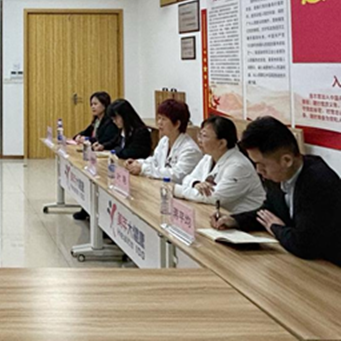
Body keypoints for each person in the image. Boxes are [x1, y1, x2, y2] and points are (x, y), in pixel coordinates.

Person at [211, 116, 341, 266]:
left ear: (286, 160)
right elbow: (268, 213)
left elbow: (305, 245)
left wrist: (276, 228)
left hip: (330, 267)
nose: (258, 171)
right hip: (303, 263)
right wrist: (235, 220)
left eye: (261, 165)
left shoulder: (318, 182)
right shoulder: (278, 175)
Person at [175, 116, 265, 213]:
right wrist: (195, 183)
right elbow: (187, 179)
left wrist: (178, 190)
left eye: (204, 136)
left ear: (222, 143)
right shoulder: (208, 157)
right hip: (219, 214)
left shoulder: (238, 166)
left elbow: (214, 197)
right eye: (200, 135)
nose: (199, 140)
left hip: (247, 220)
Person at [126, 99, 201, 183]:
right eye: (159, 118)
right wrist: (137, 163)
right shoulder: (164, 140)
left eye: (164, 119)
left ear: (177, 124)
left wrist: (143, 168)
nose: (159, 122)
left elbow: (175, 176)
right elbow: (155, 161)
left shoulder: (190, 150)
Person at [71, 91, 119, 221]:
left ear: (104, 105)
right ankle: (86, 207)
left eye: (95, 104)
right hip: (94, 154)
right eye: (91, 104)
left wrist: (88, 139)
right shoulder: (96, 121)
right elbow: (85, 132)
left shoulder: (109, 122)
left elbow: (104, 139)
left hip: (104, 156)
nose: (92, 107)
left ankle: (94, 210)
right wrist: (79, 136)